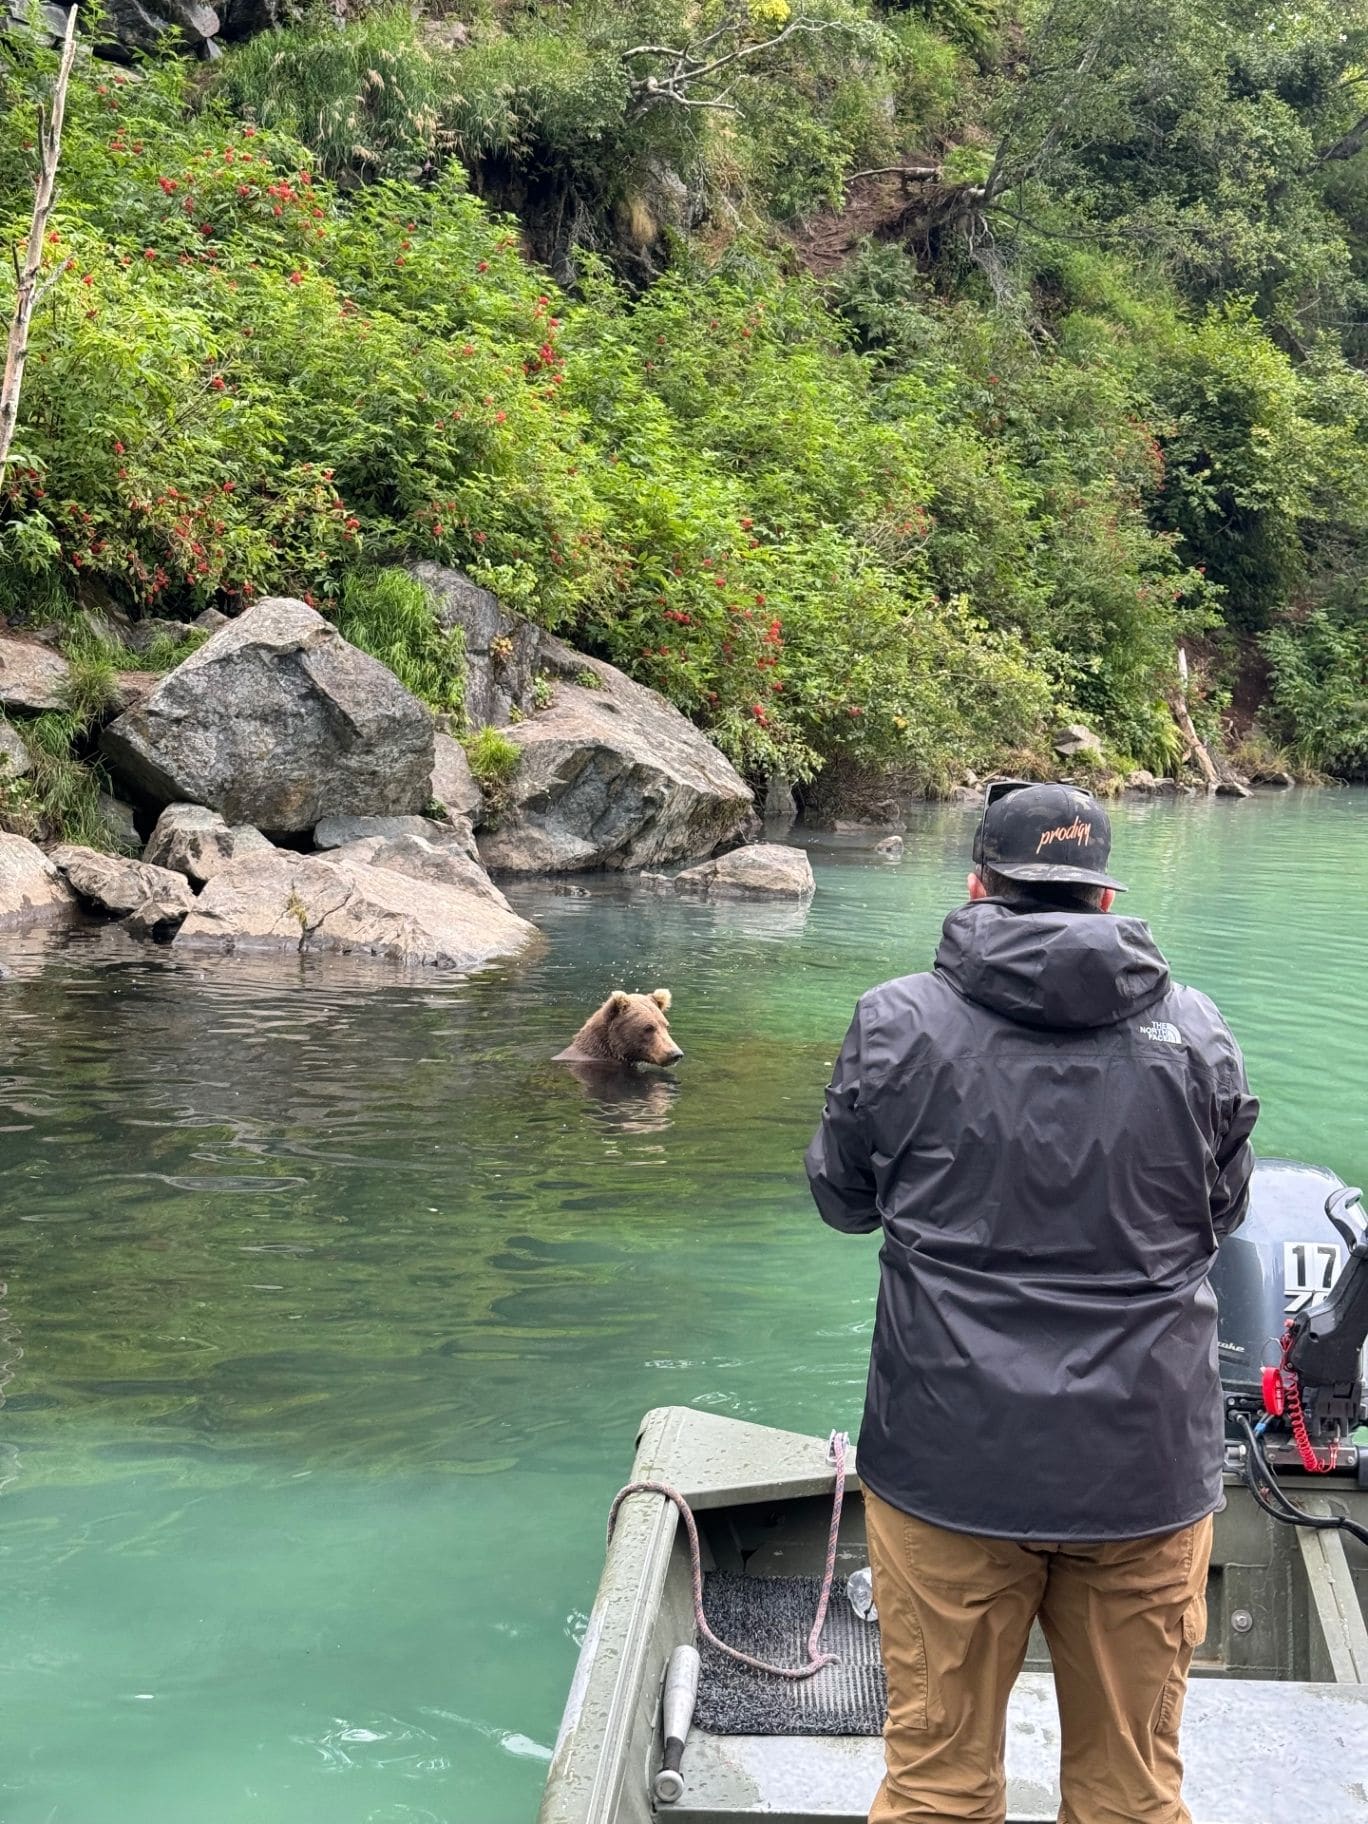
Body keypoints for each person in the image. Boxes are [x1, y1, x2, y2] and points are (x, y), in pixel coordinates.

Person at [806, 781, 1259, 1824]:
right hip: (1144, 1471)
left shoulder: (896, 1022)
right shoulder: (1198, 1031)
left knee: (935, 1789)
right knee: (1132, 1796)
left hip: (948, 1467)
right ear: (1105, 902)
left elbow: (842, 1201)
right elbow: (1220, 1215)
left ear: (977, 888)